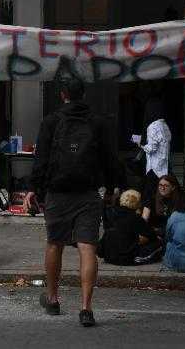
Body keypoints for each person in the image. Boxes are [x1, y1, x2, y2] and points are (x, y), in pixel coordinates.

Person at [25, 78, 119, 327]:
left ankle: (53, 298)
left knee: (54, 244)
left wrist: (34, 189)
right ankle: (86, 308)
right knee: (87, 247)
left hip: (58, 192)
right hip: (88, 193)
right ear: (84, 94)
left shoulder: (52, 121)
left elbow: (41, 158)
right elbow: (110, 159)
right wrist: (110, 188)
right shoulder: (98, 122)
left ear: (62, 95)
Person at [99, 189, 161, 266]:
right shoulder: (135, 217)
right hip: (126, 258)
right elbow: (151, 235)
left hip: (108, 255)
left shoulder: (110, 213)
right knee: (158, 244)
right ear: (137, 203)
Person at [138, 98, 171, 203]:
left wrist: (141, 145)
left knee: (150, 199)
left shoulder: (152, 127)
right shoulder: (165, 126)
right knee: (163, 198)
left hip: (154, 169)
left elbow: (151, 148)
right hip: (165, 168)